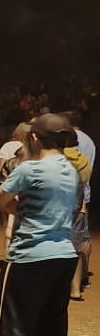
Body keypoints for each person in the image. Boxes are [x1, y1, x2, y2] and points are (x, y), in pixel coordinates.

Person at [0, 113, 80, 336]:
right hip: (64, 254)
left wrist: (19, 207)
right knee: (51, 322)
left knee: (11, 319)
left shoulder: (30, 170)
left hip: (30, 253)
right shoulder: (70, 170)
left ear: (35, 138)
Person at [64, 111, 94, 299]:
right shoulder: (89, 141)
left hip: (67, 198)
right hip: (84, 194)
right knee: (82, 239)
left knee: (69, 243)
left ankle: (70, 283)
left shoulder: (69, 148)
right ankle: (81, 279)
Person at [0, 123, 31, 251]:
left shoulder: (8, 146)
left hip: (8, 184)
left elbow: (0, 167)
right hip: (27, 188)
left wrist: (2, 182)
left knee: (7, 221)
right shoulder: (33, 147)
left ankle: (8, 252)